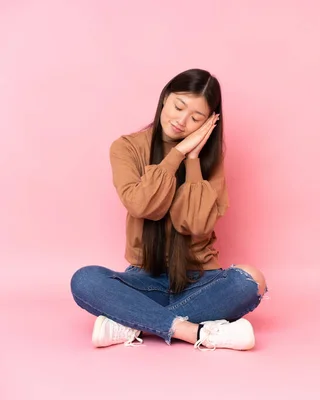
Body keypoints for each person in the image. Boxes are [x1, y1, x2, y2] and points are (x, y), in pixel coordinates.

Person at [70, 68, 267, 351]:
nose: (181, 121)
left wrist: (194, 158)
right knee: (85, 280)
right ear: (165, 98)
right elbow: (142, 204)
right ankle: (197, 332)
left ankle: (133, 321)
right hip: (144, 278)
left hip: (200, 280)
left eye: (196, 118)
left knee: (251, 280)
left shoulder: (210, 159)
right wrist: (176, 154)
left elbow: (195, 224)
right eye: (178, 107)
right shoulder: (126, 148)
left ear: (208, 122)